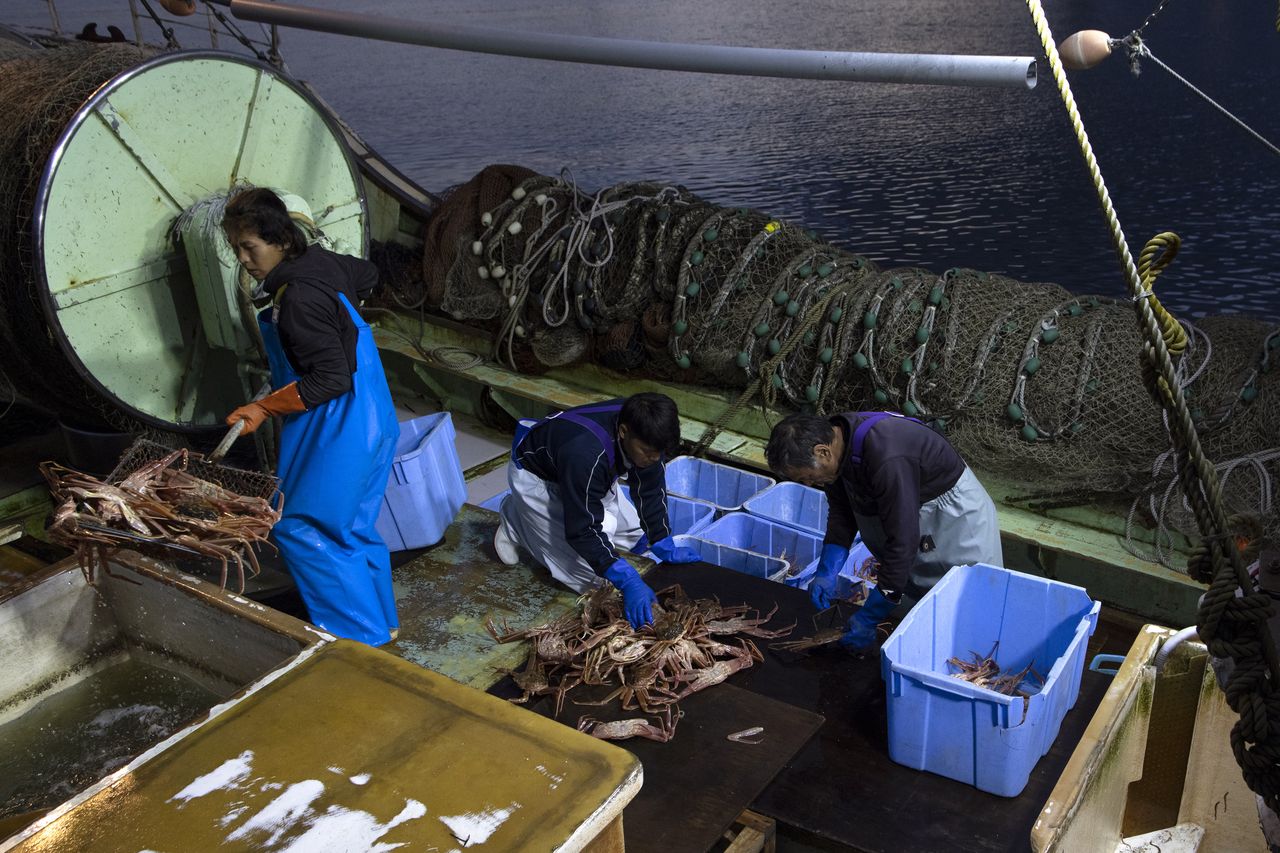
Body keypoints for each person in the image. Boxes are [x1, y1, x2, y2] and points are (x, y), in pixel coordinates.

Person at [222, 187, 400, 646]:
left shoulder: (296, 300)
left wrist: (263, 406)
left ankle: (359, 644)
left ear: (280, 239)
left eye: (250, 247)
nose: (243, 259)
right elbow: (368, 273)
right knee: (352, 525)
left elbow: (330, 380)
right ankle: (383, 621)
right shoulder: (322, 261)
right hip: (376, 415)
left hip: (339, 423)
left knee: (302, 527)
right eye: (235, 248)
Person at [765, 411, 1002, 653]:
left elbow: (903, 540)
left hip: (953, 518)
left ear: (822, 452)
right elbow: (842, 512)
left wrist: (871, 616)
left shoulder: (886, 454)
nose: (808, 484)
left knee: (973, 604)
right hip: (913, 520)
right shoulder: (838, 445)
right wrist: (827, 570)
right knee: (918, 601)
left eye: (807, 477)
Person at [494, 393, 702, 629]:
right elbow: (582, 530)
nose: (654, 458)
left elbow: (650, 487)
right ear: (623, 432)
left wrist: (661, 538)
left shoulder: (645, 428)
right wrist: (627, 580)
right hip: (538, 478)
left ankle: (532, 522)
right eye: (647, 451)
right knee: (596, 583)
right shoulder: (586, 453)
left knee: (636, 539)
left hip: (584, 475)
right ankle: (517, 521)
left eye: (659, 453)